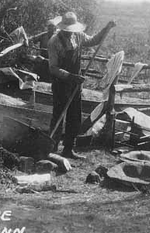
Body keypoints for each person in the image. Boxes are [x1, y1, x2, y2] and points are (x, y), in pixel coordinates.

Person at [48, 11, 116, 159]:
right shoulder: (54, 41)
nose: (68, 33)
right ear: (62, 28)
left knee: (74, 116)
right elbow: (53, 68)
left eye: (70, 30)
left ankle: (68, 149)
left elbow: (93, 41)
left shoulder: (78, 36)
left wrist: (106, 28)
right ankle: (52, 149)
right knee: (58, 116)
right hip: (61, 84)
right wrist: (70, 76)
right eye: (66, 31)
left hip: (75, 84)